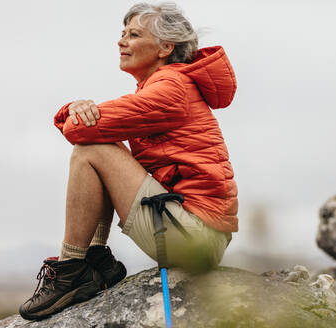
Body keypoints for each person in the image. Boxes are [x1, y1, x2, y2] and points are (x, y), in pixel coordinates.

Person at [19, 2, 238, 320]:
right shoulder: (167, 84)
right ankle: (95, 258)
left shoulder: (171, 88)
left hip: (193, 236)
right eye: (122, 34)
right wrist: (79, 108)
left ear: (165, 46)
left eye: (133, 34)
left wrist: (73, 110)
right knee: (104, 143)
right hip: (197, 232)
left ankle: (71, 269)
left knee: (90, 150)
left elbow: (79, 129)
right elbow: (94, 126)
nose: (121, 41)